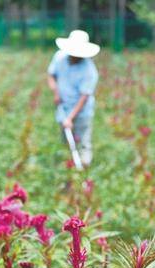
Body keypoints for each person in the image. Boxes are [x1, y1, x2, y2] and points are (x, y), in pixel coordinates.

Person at [47, 30, 100, 168]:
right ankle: (67, 168)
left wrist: (70, 118)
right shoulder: (59, 58)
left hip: (81, 112)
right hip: (63, 107)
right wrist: (55, 92)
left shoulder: (89, 71)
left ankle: (83, 168)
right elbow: (51, 75)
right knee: (66, 143)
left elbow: (84, 97)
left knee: (82, 143)